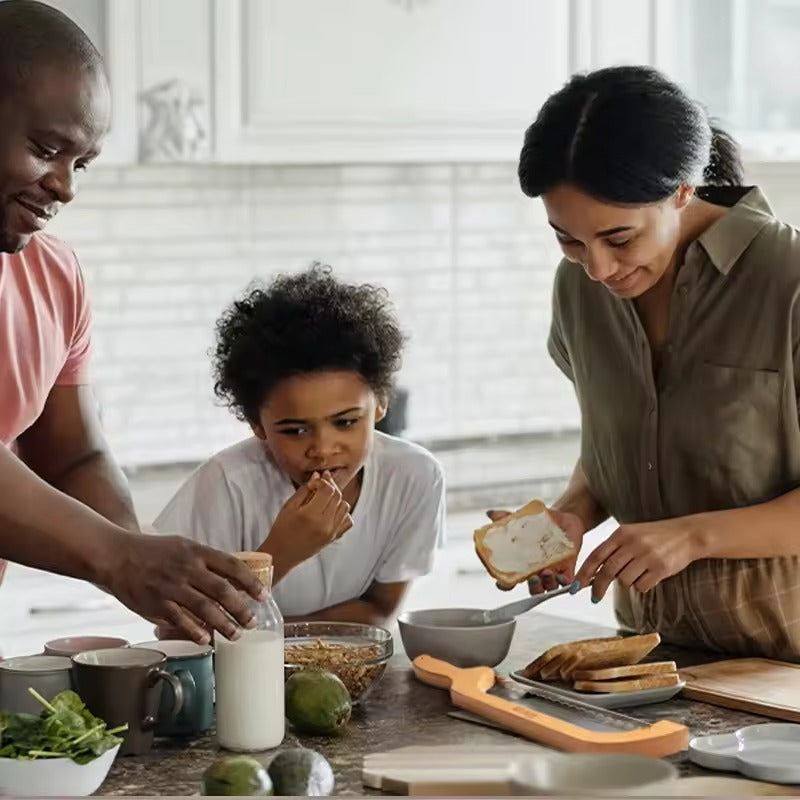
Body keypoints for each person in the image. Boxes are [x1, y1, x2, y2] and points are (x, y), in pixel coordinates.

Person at [501, 64, 800, 659]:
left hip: (785, 666)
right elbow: (624, 446)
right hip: (646, 655)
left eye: (620, 238)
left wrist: (693, 536)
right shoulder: (579, 288)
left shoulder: (787, 283)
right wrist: (571, 515)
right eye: (568, 239)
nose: (599, 269)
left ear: (683, 191)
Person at [0, 0, 264, 643]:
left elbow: (74, 455)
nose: (65, 186)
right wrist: (116, 558)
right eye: (47, 149)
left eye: (81, 163)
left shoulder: (53, 277)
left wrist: (152, 566)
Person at [154, 266, 446, 629]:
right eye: (294, 431)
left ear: (381, 402)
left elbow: (379, 611)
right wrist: (280, 552)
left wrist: (270, 631)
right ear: (257, 424)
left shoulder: (414, 476)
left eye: (346, 422)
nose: (322, 449)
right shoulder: (227, 485)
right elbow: (180, 628)